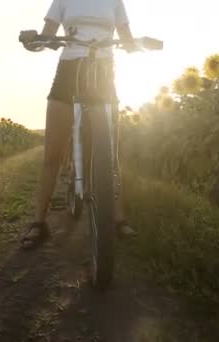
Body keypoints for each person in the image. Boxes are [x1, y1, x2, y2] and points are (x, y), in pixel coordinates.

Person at [18, 0, 136, 249]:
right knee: (53, 153)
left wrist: (134, 44)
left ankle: (118, 218)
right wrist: (33, 42)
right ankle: (39, 222)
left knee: (112, 152)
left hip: (104, 71)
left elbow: (127, 37)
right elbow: (47, 38)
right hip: (69, 71)